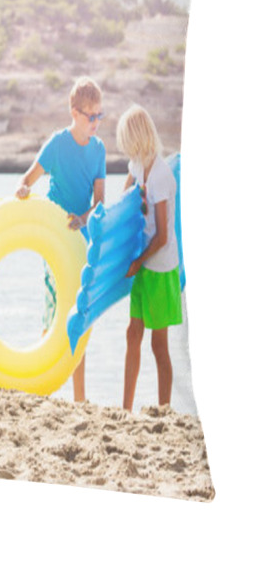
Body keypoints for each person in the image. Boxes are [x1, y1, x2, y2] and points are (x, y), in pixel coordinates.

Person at [14, 76, 106, 402]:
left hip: (81, 244)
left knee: (77, 318)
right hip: (53, 242)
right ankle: (45, 390)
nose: (95, 122)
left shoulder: (98, 150)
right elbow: (29, 178)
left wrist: (84, 218)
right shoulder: (57, 143)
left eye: (99, 116)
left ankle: (79, 399)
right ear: (74, 112)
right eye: (90, 115)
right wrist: (24, 189)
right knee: (53, 316)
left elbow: (99, 202)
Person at [116, 104, 182, 411]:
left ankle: (164, 411)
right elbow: (126, 192)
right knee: (133, 334)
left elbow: (163, 237)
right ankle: (126, 409)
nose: (126, 149)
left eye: (127, 141)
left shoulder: (160, 176)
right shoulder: (138, 164)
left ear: (138, 138)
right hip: (143, 262)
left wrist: (137, 261)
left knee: (159, 345)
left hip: (160, 267)